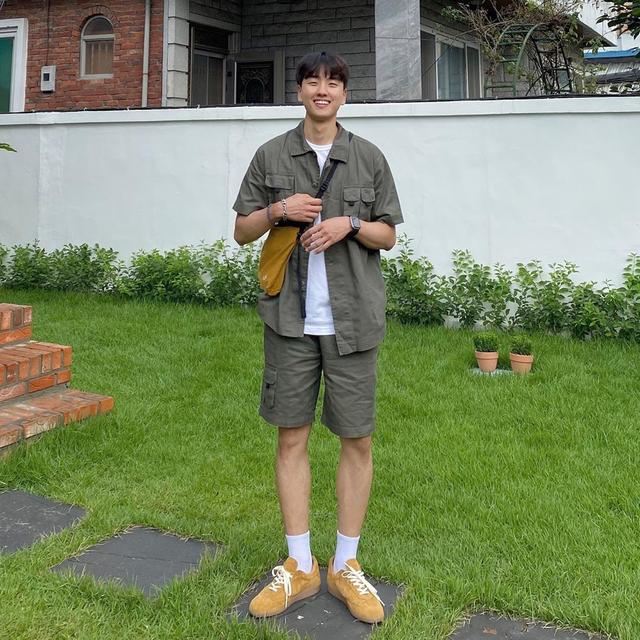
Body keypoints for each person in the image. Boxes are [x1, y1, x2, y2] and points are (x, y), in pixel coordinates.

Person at [232, 51, 403, 625]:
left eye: (333, 82)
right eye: (312, 81)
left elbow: (388, 234)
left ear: (345, 94)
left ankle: (346, 564)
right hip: (290, 320)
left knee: (357, 440)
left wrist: (347, 225)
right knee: (291, 439)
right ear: (300, 91)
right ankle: (301, 565)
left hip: (352, 323)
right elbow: (241, 231)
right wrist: (279, 209)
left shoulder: (368, 157)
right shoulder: (271, 155)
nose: (322, 90)